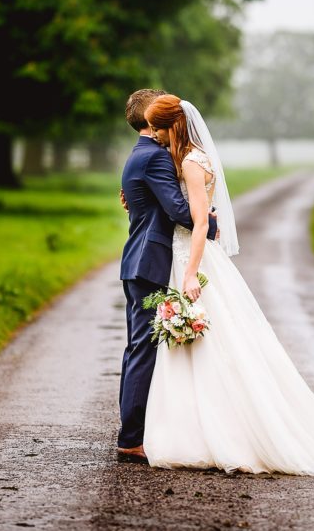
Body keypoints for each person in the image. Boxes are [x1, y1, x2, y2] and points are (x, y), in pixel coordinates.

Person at [140, 94, 314, 474]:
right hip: (186, 255)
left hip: (192, 258)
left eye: (158, 129)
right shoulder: (189, 159)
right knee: (200, 348)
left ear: (172, 127)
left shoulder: (193, 164)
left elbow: (198, 223)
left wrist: (191, 273)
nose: (154, 136)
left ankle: (226, 435)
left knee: (214, 346)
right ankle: (194, 433)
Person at [116, 89, 220, 464]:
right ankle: (131, 439)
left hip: (139, 261)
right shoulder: (158, 158)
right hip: (151, 261)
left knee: (137, 348)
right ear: (151, 122)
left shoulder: (138, 156)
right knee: (143, 349)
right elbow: (180, 210)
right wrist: (211, 223)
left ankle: (135, 433)